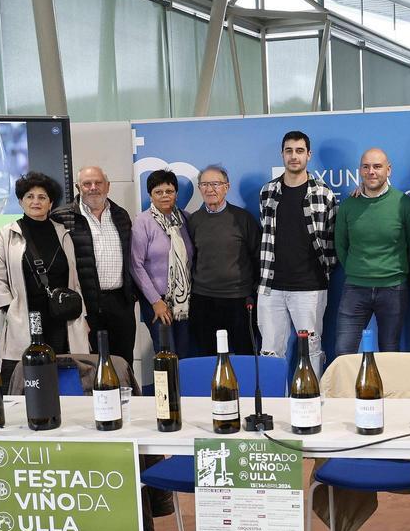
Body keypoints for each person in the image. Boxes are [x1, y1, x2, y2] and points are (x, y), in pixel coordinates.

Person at [0, 171, 89, 387]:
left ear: (50, 202)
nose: (35, 202)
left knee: (63, 374)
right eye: (29, 196)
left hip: (60, 317)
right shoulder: (7, 234)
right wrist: (9, 308)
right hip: (24, 315)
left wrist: (83, 315)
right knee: (24, 377)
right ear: (21, 201)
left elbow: (75, 279)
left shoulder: (63, 233)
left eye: (42, 197)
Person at [257, 131, 338, 375]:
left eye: (299, 151)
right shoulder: (267, 192)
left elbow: (332, 242)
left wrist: (321, 274)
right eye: (289, 151)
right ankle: (273, 410)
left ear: (308, 155)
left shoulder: (324, 195)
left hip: (310, 287)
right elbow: (266, 233)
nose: (294, 156)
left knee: (311, 350)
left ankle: (310, 406)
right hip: (271, 287)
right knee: (270, 352)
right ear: (282, 154)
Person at [334, 148, 410, 355]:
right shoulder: (348, 206)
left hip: (393, 289)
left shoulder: (404, 204)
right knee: (343, 352)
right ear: (360, 170)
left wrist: (393, 271)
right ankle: (345, 390)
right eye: (366, 166)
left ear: (388, 170)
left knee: (390, 352)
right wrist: (358, 269)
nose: (371, 171)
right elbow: (341, 246)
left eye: (377, 166)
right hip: (355, 287)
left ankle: (388, 390)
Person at [51, 165, 136, 364]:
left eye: (98, 183)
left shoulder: (121, 215)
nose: (93, 187)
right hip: (86, 305)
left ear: (108, 186)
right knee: (90, 365)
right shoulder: (61, 217)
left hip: (120, 303)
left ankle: (125, 395)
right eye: (87, 183)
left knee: (123, 362)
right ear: (78, 187)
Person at [184, 163, 261, 356]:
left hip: (239, 300)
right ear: (199, 188)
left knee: (245, 355)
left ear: (226, 187)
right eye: (205, 184)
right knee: (207, 356)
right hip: (204, 300)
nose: (210, 189)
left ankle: (246, 388)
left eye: (216, 184)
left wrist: (253, 291)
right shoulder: (193, 221)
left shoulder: (243, 219)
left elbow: (258, 256)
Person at [130, 169, 193, 355]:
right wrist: (155, 301)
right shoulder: (142, 221)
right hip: (158, 303)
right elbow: (135, 265)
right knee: (166, 354)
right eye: (158, 192)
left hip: (184, 302)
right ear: (150, 195)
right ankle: (166, 386)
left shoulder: (185, 219)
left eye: (169, 191)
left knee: (184, 353)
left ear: (176, 193)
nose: (164, 195)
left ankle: (184, 386)